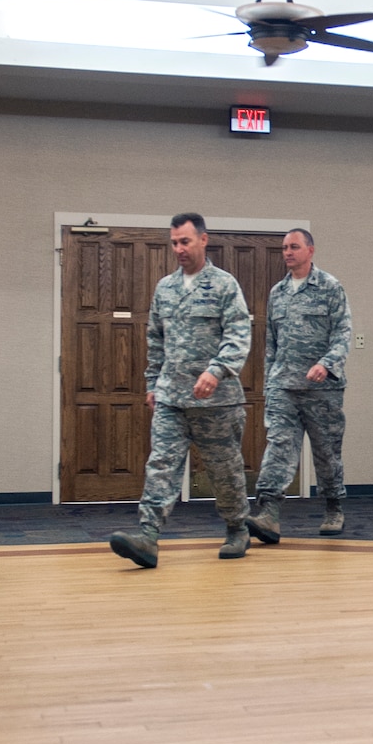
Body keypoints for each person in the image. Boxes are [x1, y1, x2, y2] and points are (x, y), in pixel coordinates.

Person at [108, 213, 253, 568]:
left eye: (185, 241)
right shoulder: (165, 288)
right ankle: (148, 536)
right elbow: (155, 339)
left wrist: (216, 371)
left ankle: (237, 528)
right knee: (161, 464)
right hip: (172, 398)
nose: (179, 249)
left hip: (217, 401)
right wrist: (151, 383)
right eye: (174, 242)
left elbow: (239, 335)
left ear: (204, 240)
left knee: (225, 470)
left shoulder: (224, 285)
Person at [249, 228, 354, 539]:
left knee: (326, 452)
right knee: (279, 447)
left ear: (310, 250)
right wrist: (270, 384)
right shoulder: (277, 293)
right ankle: (268, 513)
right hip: (284, 387)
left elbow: (343, 333)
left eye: (294, 247)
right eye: (284, 248)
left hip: (323, 391)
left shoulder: (330, 288)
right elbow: (272, 344)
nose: (287, 252)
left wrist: (326, 363)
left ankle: (334, 508)